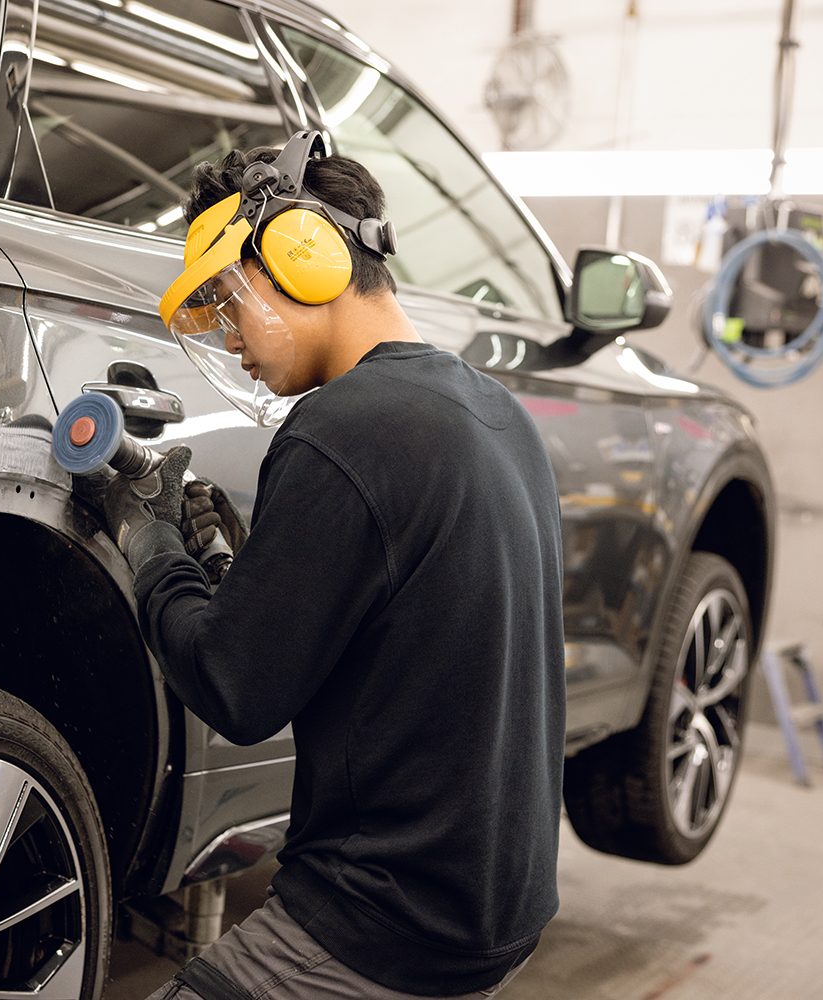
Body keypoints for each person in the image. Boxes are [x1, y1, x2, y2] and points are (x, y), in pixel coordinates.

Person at [101, 131, 566, 1000]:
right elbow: (401, 637)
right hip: (500, 909)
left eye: (233, 303)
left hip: (381, 921)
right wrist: (224, 563)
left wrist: (149, 542)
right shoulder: (494, 415)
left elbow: (237, 690)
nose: (233, 338)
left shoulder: (341, 430)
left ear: (301, 256)